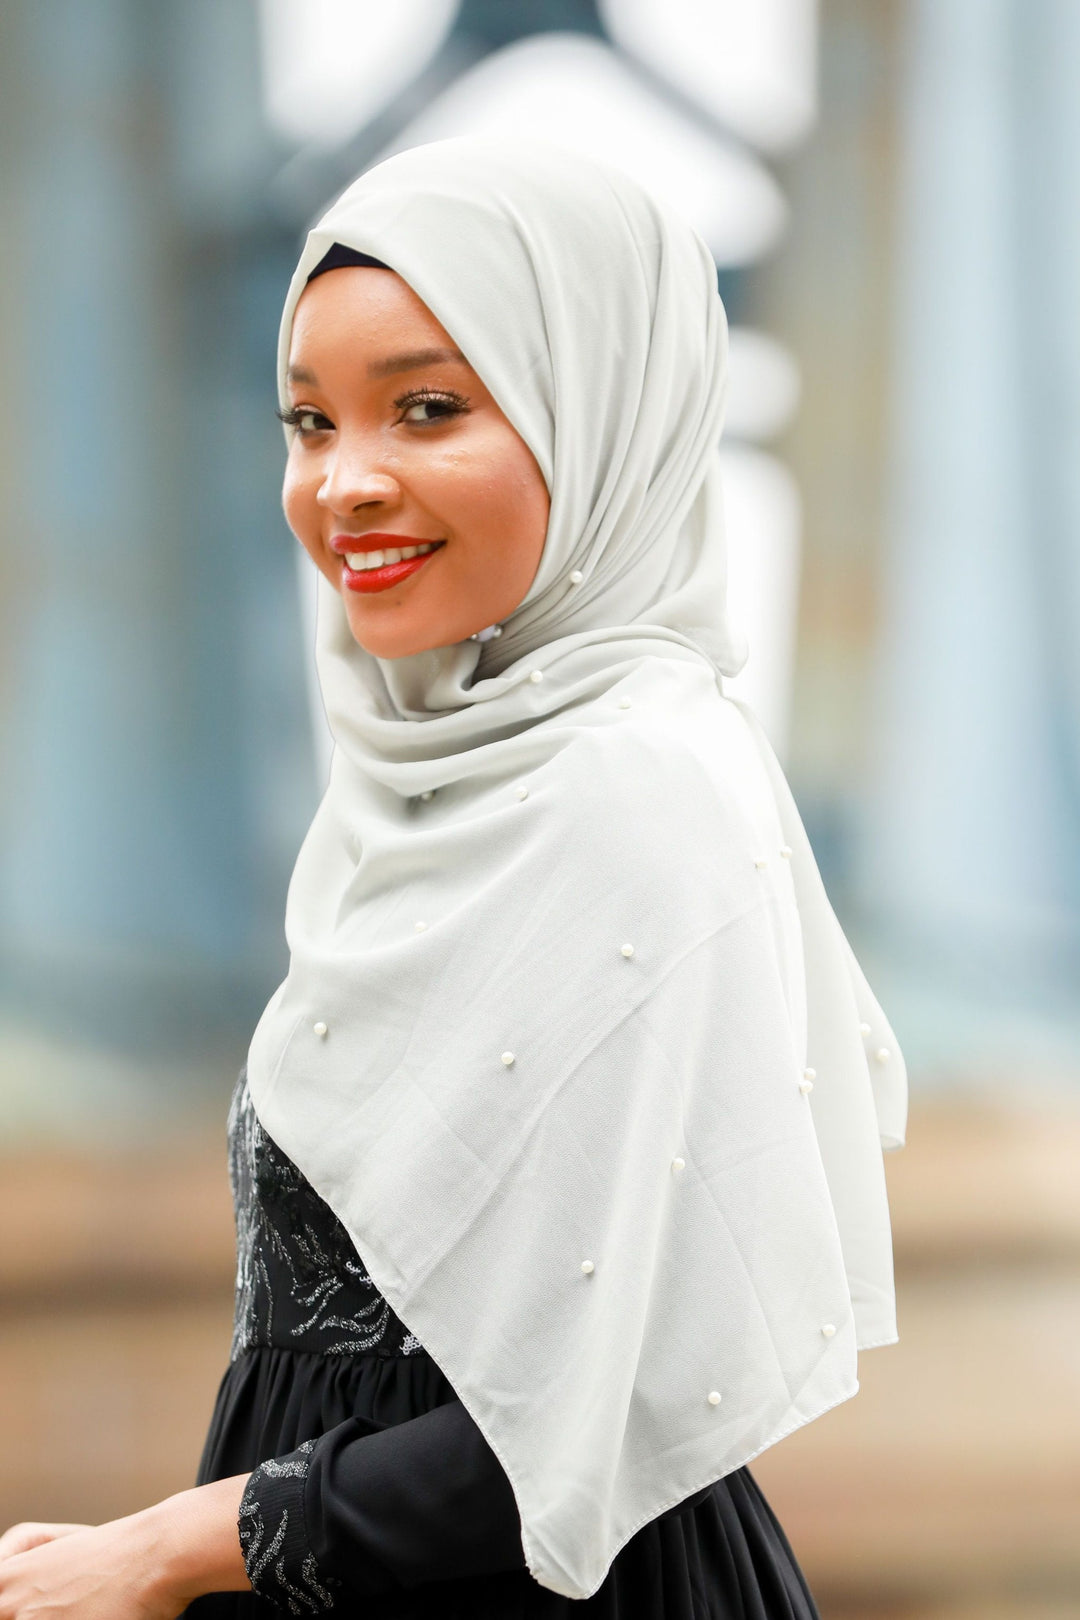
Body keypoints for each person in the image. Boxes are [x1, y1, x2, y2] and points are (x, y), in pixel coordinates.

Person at [0, 136, 907, 1619]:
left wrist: (160, 1551)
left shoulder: (636, 788)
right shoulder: (434, 784)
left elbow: (579, 1430)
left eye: (427, 408)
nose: (344, 484)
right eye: (307, 420)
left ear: (601, 409)